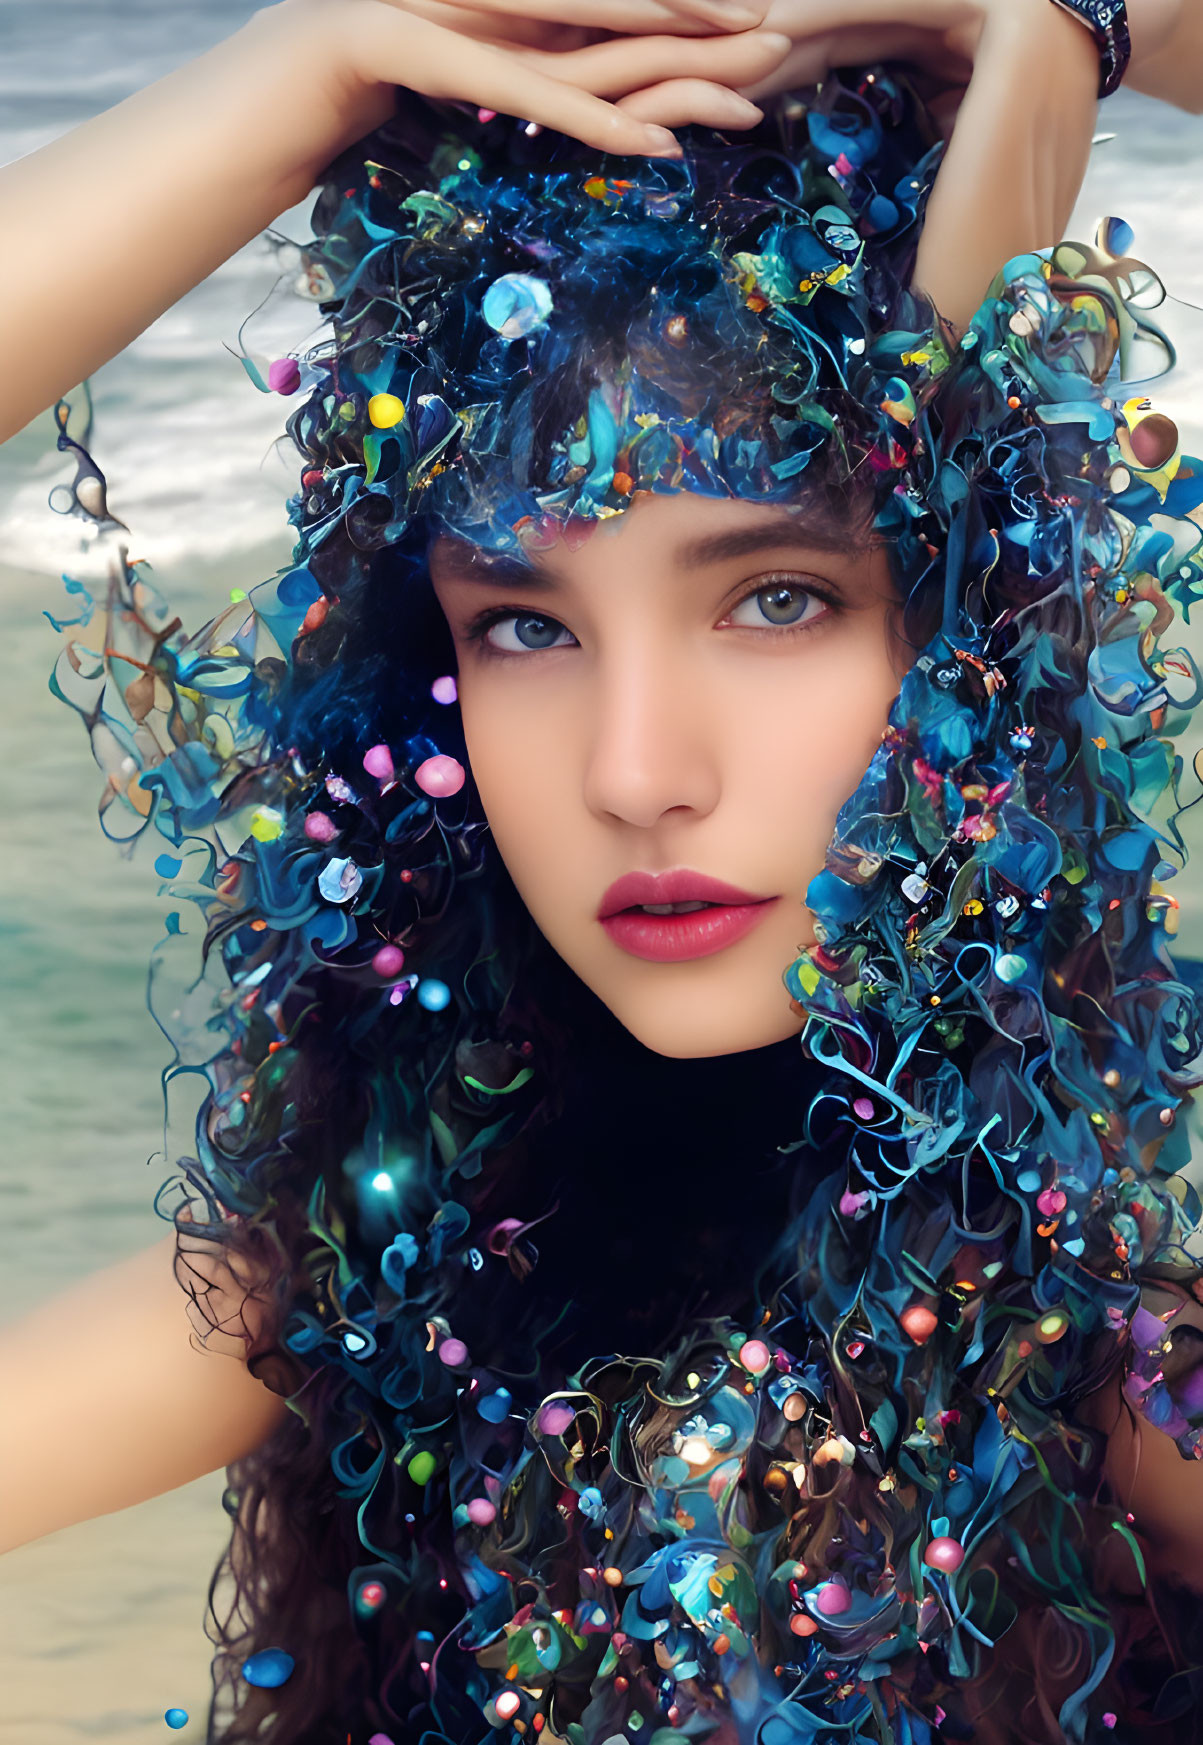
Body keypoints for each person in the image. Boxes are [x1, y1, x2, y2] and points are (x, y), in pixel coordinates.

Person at [5, 1, 1203, 1741]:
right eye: (523, 625)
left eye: (778, 596)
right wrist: (300, 73)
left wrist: (1097, 20)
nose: (637, 773)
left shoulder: (1089, 1369)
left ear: (971, 642)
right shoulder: (370, 1303)